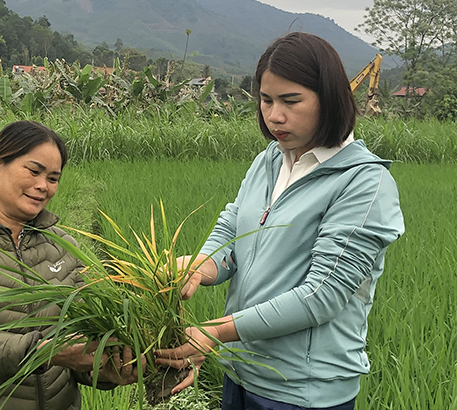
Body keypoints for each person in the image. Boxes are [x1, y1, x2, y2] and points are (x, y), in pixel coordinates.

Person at [155, 32, 405, 410]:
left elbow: (322, 295)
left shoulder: (364, 183)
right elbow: (233, 229)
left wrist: (214, 332)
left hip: (302, 390)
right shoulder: (270, 159)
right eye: (266, 100)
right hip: (240, 370)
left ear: (330, 99)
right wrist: (199, 267)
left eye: (291, 101)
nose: (274, 115)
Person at [0, 120, 140, 410]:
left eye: (53, 178)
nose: (42, 186)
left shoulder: (63, 245)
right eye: (33, 171)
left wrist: (107, 369)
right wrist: (46, 352)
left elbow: (84, 341)